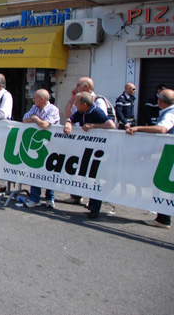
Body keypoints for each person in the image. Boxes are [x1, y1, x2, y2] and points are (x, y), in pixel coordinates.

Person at [126, 88, 174, 229]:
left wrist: (138, 128)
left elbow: (162, 129)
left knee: (163, 186)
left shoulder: (170, 113)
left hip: (168, 155)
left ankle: (163, 219)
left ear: (159, 101)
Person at [63, 92, 116, 218]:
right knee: (85, 176)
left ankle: (94, 208)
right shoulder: (81, 112)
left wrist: (93, 126)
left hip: (98, 151)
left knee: (95, 178)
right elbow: (70, 118)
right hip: (85, 149)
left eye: (77, 103)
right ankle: (80, 197)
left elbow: (111, 125)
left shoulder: (97, 112)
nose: (75, 105)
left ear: (85, 104)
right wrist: (68, 124)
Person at [63, 76, 107, 205]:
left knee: (91, 172)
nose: (75, 87)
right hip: (79, 141)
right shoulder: (78, 99)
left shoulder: (98, 102)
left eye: (78, 84)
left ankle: (92, 201)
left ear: (86, 87)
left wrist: (92, 126)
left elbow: (106, 123)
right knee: (76, 168)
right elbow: (68, 115)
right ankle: (76, 195)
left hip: (94, 144)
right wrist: (72, 100)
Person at [21, 89, 61, 208]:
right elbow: (24, 119)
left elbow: (45, 125)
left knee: (49, 170)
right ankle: (35, 198)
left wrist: (35, 119)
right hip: (37, 144)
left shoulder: (53, 109)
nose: (33, 100)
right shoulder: (34, 108)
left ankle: (50, 198)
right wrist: (35, 119)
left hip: (50, 144)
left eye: (35, 98)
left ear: (42, 99)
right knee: (35, 170)